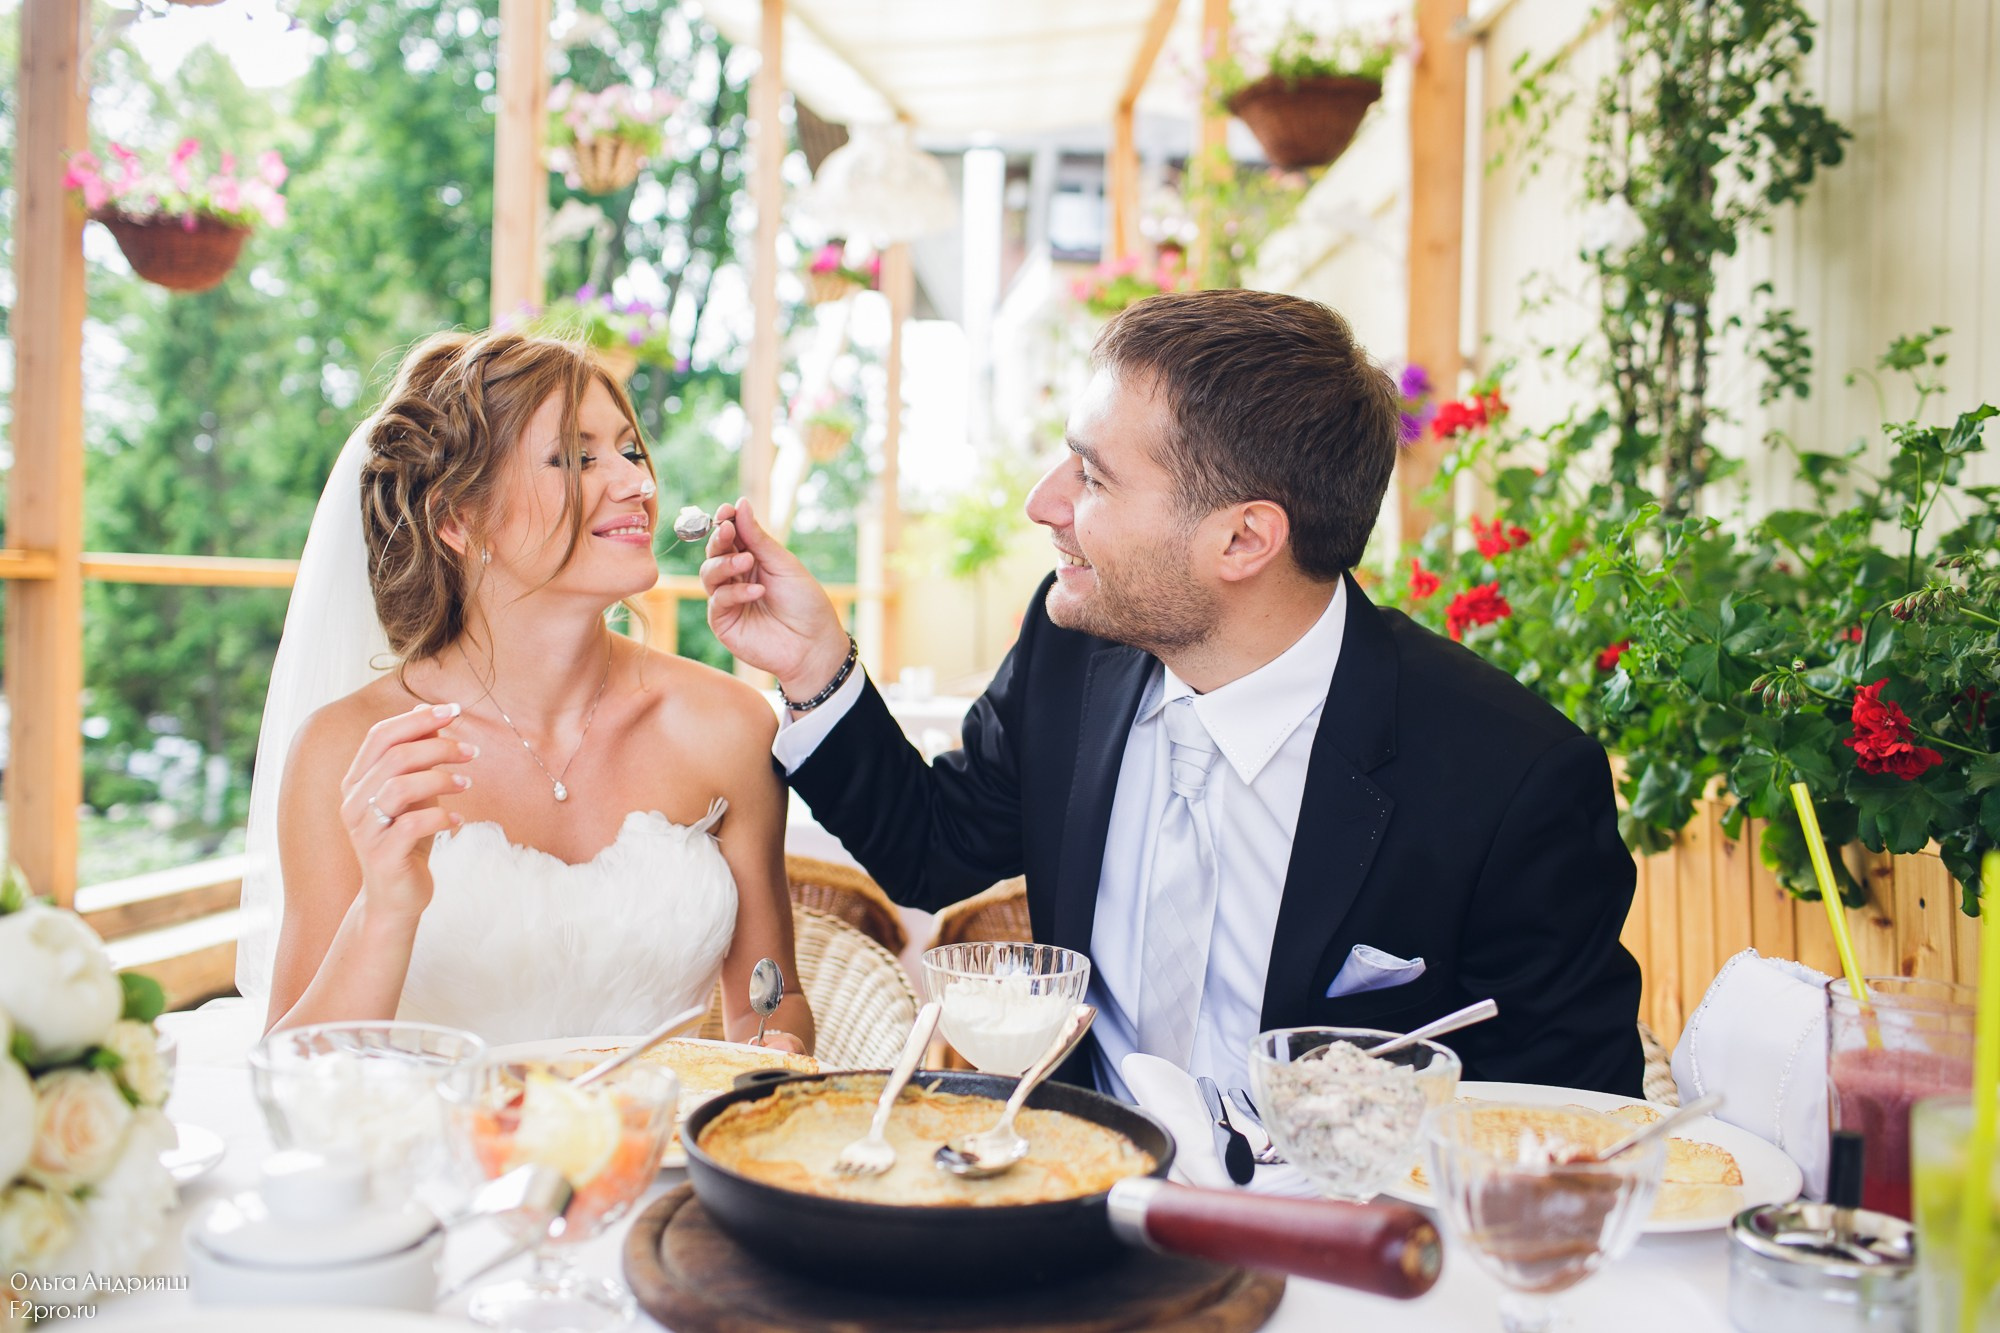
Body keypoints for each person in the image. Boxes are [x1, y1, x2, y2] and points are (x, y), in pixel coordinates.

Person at [701, 289, 1640, 1098]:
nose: (1043, 502)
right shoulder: (1076, 652)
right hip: (1077, 1215)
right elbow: (933, 845)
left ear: (1243, 540)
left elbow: (1570, 1118)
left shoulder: (1513, 778)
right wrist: (816, 665)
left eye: (1092, 475)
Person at [242, 330, 813, 1053]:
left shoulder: (729, 727)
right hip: (435, 1160)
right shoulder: (347, 752)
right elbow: (291, 1071)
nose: (636, 482)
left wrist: (776, 1050)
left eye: (630, 449)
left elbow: (773, 998)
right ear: (460, 518)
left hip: (655, 1162)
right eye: (576, 457)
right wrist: (385, 909)